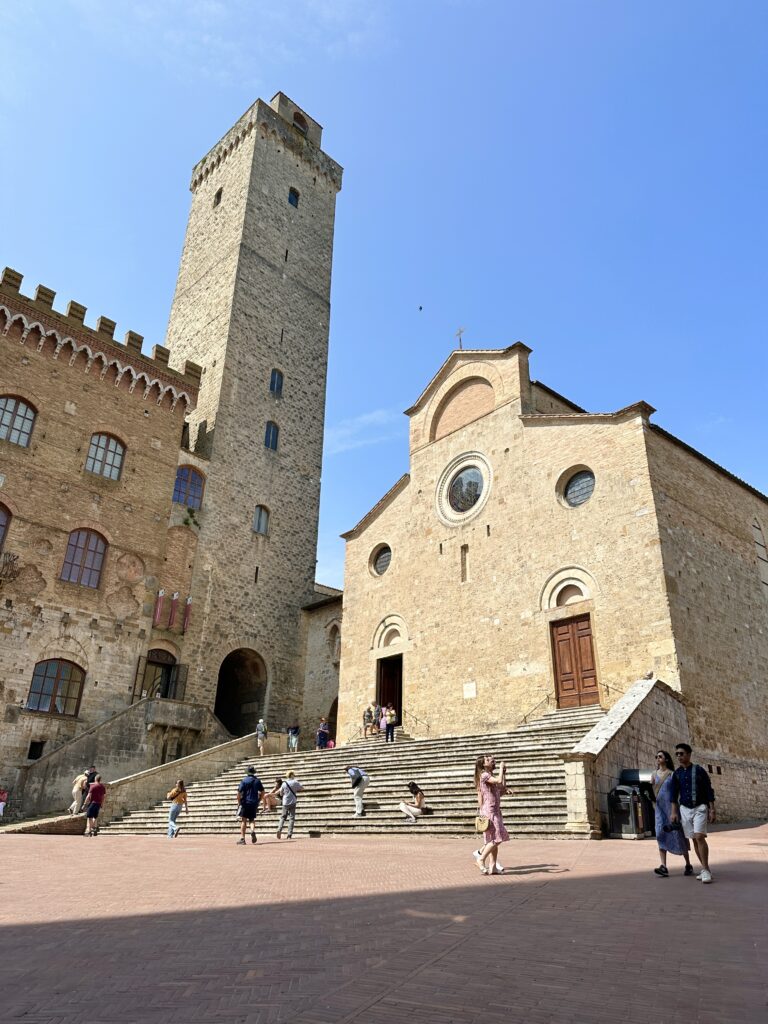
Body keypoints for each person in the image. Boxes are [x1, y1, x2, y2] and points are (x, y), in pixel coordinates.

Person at [669, 742, 716, 884]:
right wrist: (674, 812)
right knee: (694, 839)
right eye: (677, 754)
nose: (679, 756)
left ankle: (706, 869)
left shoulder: (699, 770)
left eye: (681, 754)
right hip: (684, 808)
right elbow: (673, 794)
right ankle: (704, 868)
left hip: (700, 806)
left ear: (689, 754)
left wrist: (712, 809)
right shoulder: (676, 774)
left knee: (699, 836)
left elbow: (709, 789)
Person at [650, 751, 694, 877]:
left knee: (678, 834)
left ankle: (688, 864)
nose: (658, 758)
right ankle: (663, 866)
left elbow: (677, 792)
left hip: (672, 809)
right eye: (656, 756)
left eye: (660, 756)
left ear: (667, 759)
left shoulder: (672, 774)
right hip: (659, 809)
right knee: (660, 834)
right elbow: (652, 791)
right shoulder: (653, 774)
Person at [473, 754, 509, 875]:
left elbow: (501, 786)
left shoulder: (490, 776)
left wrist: (503, 773)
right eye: (488, 760)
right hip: (490, 811)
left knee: (494, 839)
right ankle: (481, 859)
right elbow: (498, 781)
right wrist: (501, 767)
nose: (491, 760)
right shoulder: (484, 775)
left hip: (495, 810)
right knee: (496, 839)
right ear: (483, 764)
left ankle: (492, 867)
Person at [236, 765, 264, 845]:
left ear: (247, 772)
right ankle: (252, 831)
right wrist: (259, 800)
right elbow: (263, 792)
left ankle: (243, 839)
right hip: (254, 802)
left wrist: (239, 802)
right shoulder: (257, 781)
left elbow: (238, 793)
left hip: (245, 802)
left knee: (243, 820)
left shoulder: (244, 781)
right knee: (251, 819)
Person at [276, 770, 303, 840]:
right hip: (293, 801)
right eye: (293, 774)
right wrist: (295, 790)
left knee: (283, 817)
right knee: (291, 818)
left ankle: (279, 829)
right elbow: (302, 788)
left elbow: (281, 793)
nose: (294, 776)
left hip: (285, 802)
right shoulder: (295, 782)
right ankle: (289, 834)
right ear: (291, 775)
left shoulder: (284, 783)